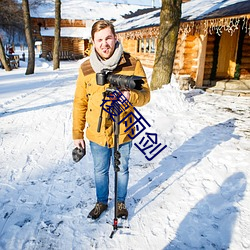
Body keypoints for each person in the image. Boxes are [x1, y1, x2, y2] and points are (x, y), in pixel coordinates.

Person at [72, 20, 150, 220]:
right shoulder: (86, 68)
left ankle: (121, 202)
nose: (104, 43)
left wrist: (130, 96)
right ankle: (101, 202)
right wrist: (77, 134)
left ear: (115, 38)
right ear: (93, 42)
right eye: (100, 40)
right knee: (100, 170)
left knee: (122, 168)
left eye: (108, 38)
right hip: (97, 133)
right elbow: (80, 102)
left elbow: (146, 95)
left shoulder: (132, 63)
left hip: (124, 130)